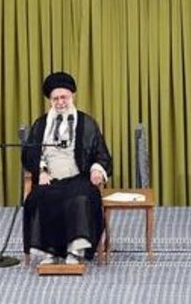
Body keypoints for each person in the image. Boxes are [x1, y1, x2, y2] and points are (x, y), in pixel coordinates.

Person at [22, 71, 112, 265]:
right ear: (50, 101)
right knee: (40, 197)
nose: (60, 102)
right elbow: (30, 154)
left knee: (81, 198)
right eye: (56, 99)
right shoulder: (41, 124)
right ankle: (49, 252)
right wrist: (41, 171)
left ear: (72, 97)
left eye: (64, 97)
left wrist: (97, 169)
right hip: (50, 178)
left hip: (78, 177)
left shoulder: (87, 123)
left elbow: (101, 153)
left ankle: (75, 251)